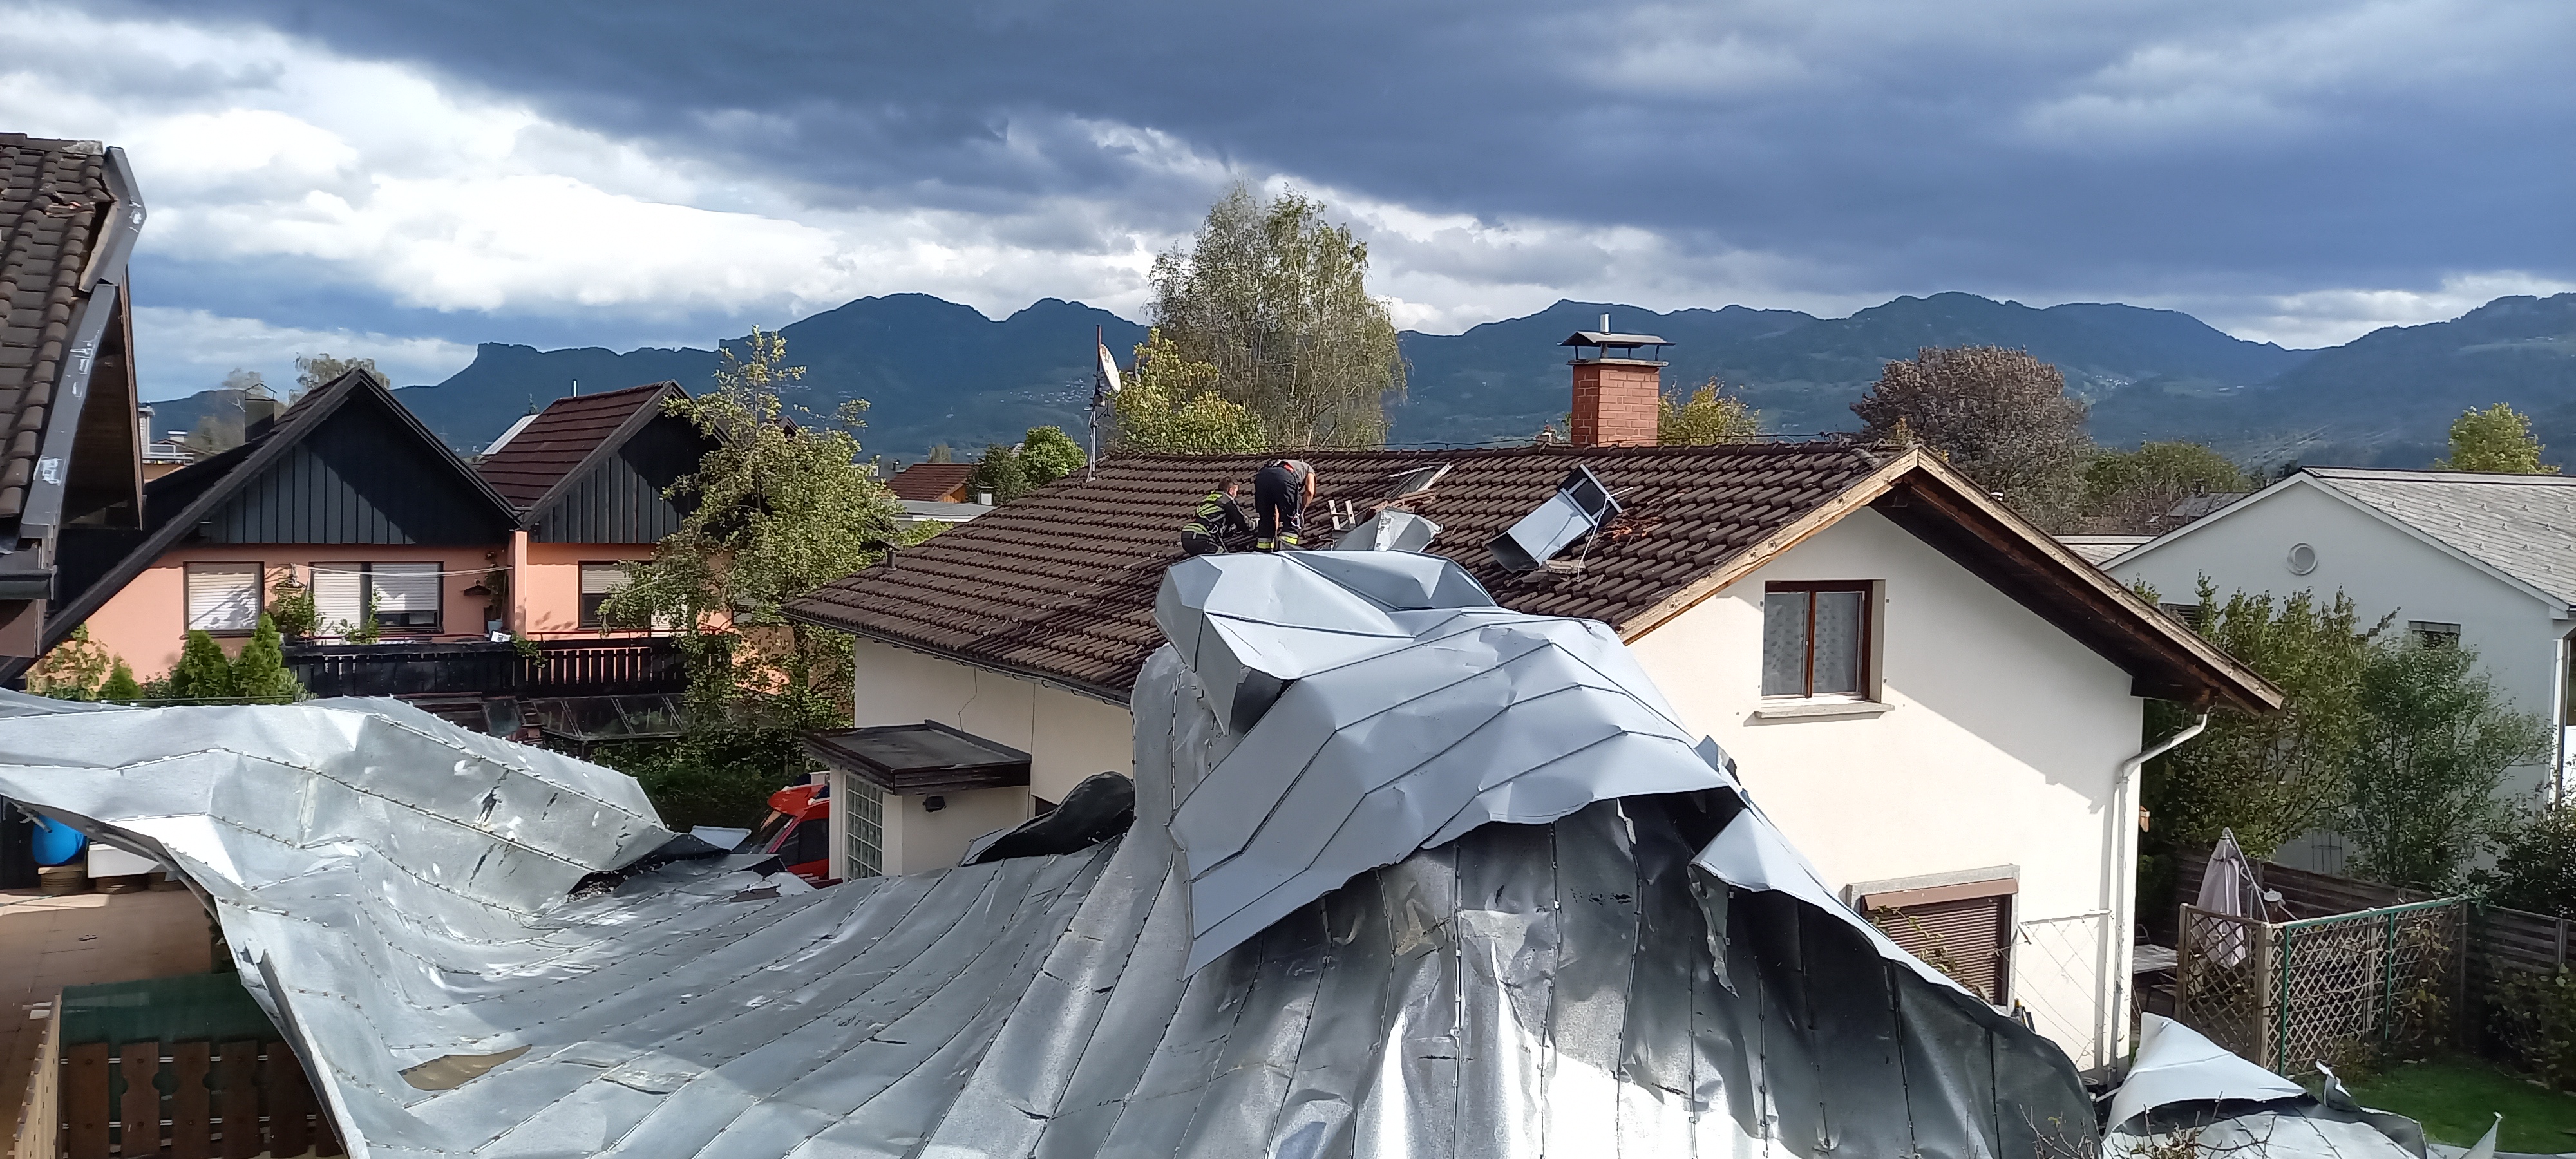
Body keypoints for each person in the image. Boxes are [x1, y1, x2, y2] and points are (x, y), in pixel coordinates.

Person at [1253, 458, 1317, 551]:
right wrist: (1300, 511)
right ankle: (1287, 549)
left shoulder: (1281, 463)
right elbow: (1310, 492)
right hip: (1285, 477)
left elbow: (1275, 513)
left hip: (1262, 477)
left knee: (1266, 518)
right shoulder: (1308, 468)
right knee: (1292, 520)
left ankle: (1263, 550)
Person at [1180, 480, 1253, 556]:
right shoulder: (1226, 500)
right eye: (1236, 492)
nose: (1236, 495)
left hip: (1187, 535)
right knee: (1223, 558)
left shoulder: (1209, 499)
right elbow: (1243, 522)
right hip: (1200, 536)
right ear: (1231, 490)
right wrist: (1255, 523)